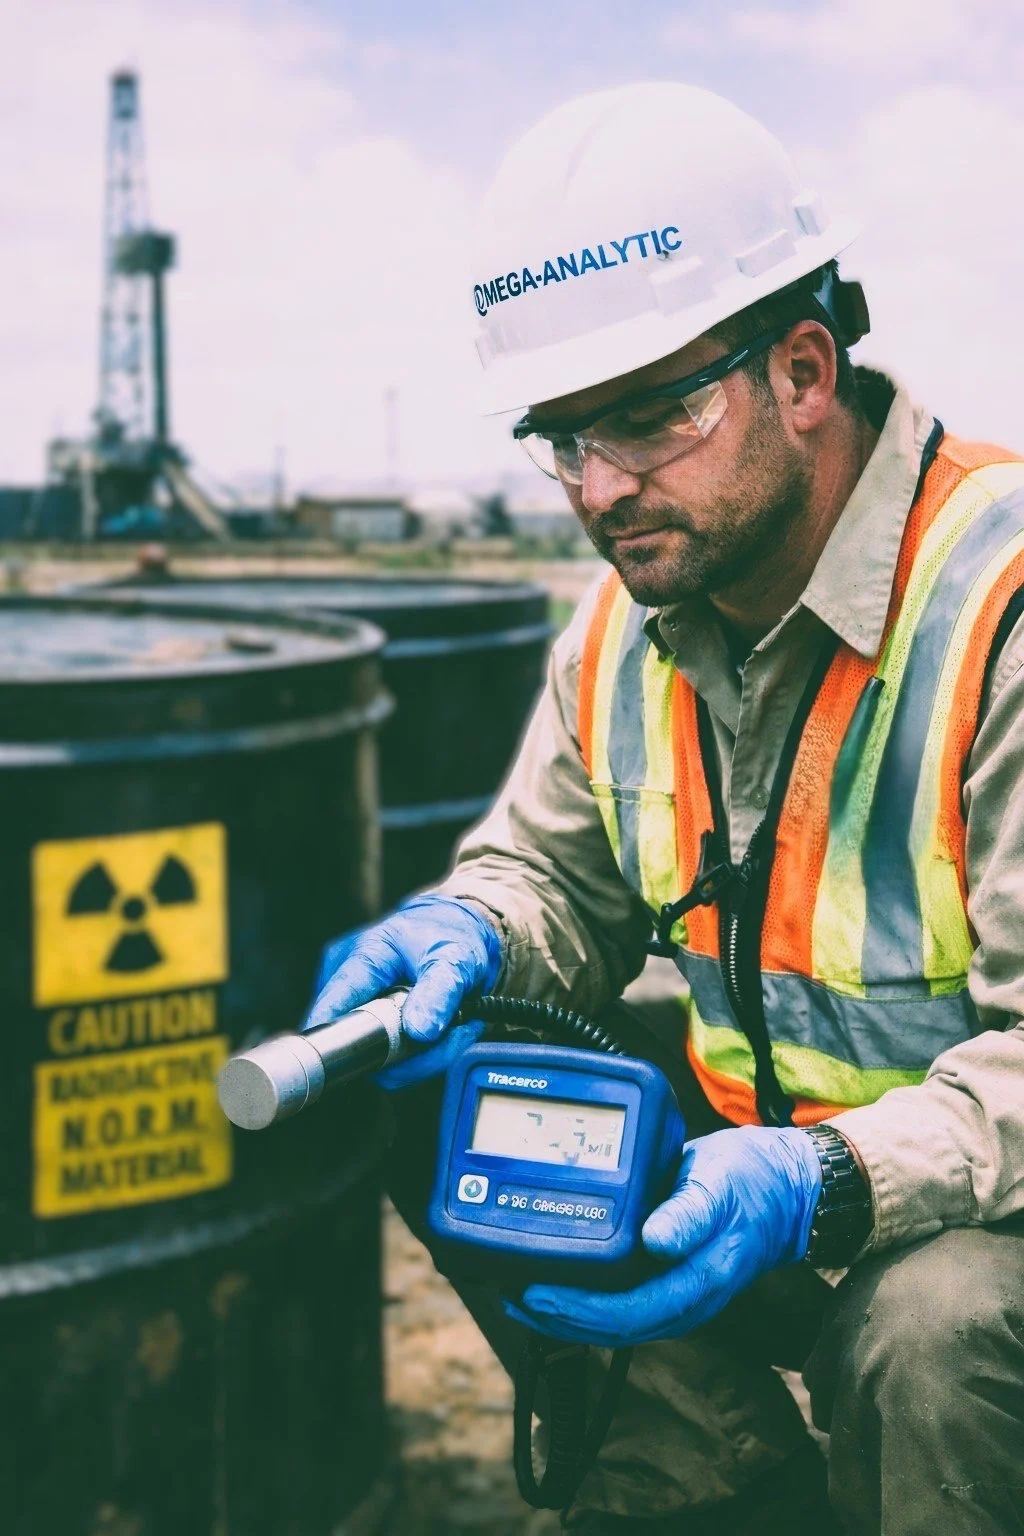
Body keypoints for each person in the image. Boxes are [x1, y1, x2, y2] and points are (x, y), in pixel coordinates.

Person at [308, 84, 1024, 1533]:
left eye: (647, 418)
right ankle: (711, 1485)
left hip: (960, 1211)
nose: (600, 489)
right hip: (752, 1176)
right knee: (440, 1081)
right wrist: (468, 926)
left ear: (806, 371)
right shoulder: (632, 612)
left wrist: (822, 1182)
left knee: (933, 1328)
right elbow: (549, 878)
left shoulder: (1000, 610)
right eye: (563, 438)